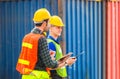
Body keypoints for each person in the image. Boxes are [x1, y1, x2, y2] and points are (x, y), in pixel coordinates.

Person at [16, 8, 70, 79]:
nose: (49, 25)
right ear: (44, 23)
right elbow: (49, 64)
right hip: (39, 76)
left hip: (27, 76)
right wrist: (65, 62)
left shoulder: (26, 37)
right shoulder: (41, 39)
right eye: (49, 23)